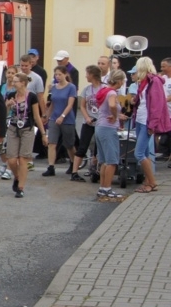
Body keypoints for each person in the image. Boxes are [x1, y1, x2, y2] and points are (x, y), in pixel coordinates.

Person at [129, 57, 170, 193]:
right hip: (141, 120)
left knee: (139, 153)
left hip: (147, 121)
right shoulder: (144, 81)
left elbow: (157, 105)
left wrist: (152, 124)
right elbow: (143, 101)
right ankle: (148, 181)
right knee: (145, 153)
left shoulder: (154, 81)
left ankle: (152, 182)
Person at [3, 73, 47, 198]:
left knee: (23, 158)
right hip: (13, 128)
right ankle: (17, 176)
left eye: (15, 81)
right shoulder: (11, 95)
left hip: (27, 129)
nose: (13, 83)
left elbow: (36, 116)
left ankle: (20, 187)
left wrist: (43, 134)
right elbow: (5, 113)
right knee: (11, 159)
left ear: (23, 83)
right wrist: (7, 105)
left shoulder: (31, 97)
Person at [94, 69, 128, 201]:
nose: (123, 83)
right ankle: (107, 189)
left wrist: (117, 115)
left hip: (100, 127)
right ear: (118, 81)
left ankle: (102, 188)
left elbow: (105, 108)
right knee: (112, 161)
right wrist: (115, 116)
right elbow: (112, 105)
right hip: (108, 128)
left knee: (104, 161)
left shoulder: (104, 90)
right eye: (123, 81)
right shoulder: (113, 93)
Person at [42, 66, 78, 177]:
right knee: (52, 143)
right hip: (54, 118)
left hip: (67, 119)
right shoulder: (54, 88)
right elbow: (52, 104)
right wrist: (46, 116)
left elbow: (70, 104)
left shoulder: (71, 87)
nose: (57, 77)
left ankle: (73, 163)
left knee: (69, 144)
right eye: (56, 74)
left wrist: (62, 116)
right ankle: (51, 167)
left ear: (65, 74)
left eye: (59, 74)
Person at [71, 64, 103, 181]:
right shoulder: (87, 89)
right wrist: (87, 117)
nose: (86, 76)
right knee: (82, 147)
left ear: (93, 75)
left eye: (87, 74)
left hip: (100, 123)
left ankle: (96, 169)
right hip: (88, 123)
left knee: (98, 148)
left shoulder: (104, 88)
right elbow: (82, 106)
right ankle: (74, 172)